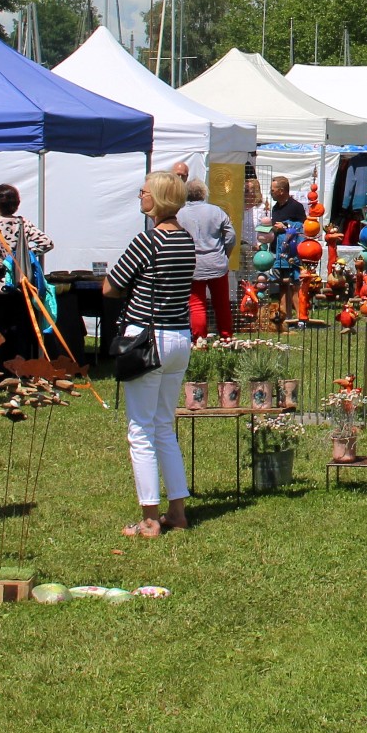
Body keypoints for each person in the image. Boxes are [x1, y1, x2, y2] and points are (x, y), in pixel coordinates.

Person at [103, 172, 200, 538]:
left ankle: (148, 517)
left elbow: (111, 285)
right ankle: (177, 511)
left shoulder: (148, 240)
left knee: (140, 429)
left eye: (144, 191)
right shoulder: (186, 241)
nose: (140, 196)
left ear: (157, 199)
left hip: (148, 337)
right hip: (179, 336)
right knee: (163, 427)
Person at [0, 183, 55, 366]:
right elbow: (47, 243)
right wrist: (24, 255)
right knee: (20, 327)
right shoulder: (22, 222)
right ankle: (19, 367)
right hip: (20, 282)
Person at [181, 177, 237, 339]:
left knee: (196, 305)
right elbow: (231, 236)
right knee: (222, 304)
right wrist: (225, 253)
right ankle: (227, 337)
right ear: (204, 193)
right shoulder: (216, 211)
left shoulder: (180, 214)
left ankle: (199, 341)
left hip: (193, 266)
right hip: (217, 263)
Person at [265, 175, 307, 326]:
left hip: (292, 251)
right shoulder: (276, 207)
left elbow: (303, 228)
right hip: (278, 251)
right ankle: (285, 316)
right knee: (282, 283)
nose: (271, 192)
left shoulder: (296, 207)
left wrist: (287, 227)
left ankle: (301, 317)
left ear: (282, 191)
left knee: (295, 284)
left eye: (273, 190)